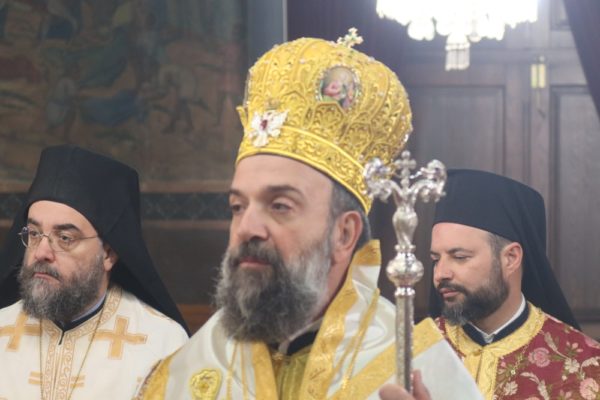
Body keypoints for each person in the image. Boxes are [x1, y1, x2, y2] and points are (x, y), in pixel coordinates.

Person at [136, 30, 480, 400]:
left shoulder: (417, 366)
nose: (247, 228)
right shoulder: (187, 368)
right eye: (238, 206)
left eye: (280, 206)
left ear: (344, 234)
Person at [0, 145, 189, 399]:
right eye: (34, 234)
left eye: (64, 238)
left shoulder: (162, 344)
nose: (41, 252)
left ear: (108, 254)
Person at [428, 169, 600, 399]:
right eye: (435, 260)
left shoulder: (585, 369)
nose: (440, 274)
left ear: (511, 258)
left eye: (460, 257)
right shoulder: (409, 355)